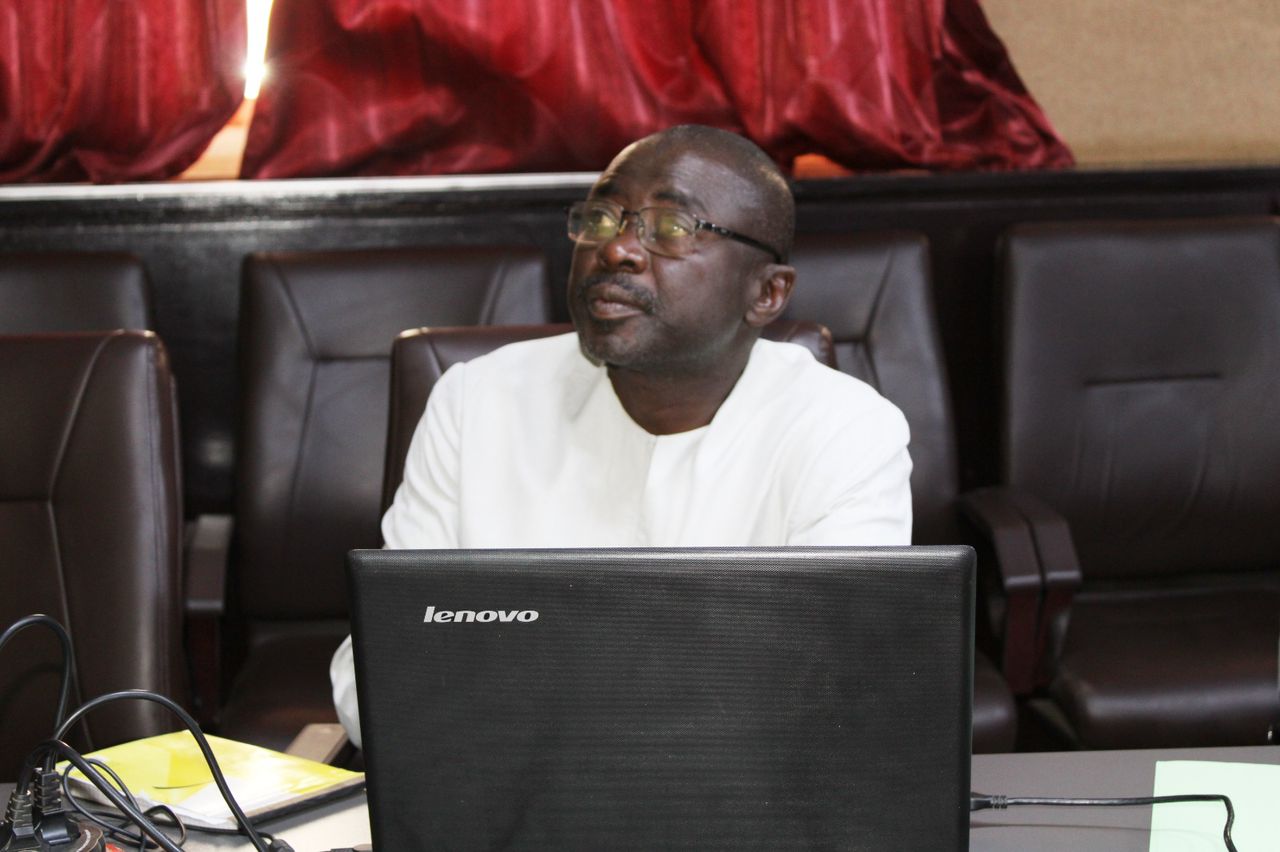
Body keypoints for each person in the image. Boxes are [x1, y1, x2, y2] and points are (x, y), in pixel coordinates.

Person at [330, 124, 912, 747]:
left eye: (672, 227)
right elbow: (375, 676)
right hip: (506, 791)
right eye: (603, 219)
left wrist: (524, 685)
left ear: (767, 293)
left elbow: (838, 690)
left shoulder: (845, 430)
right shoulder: (476, 401)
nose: (617, 250)